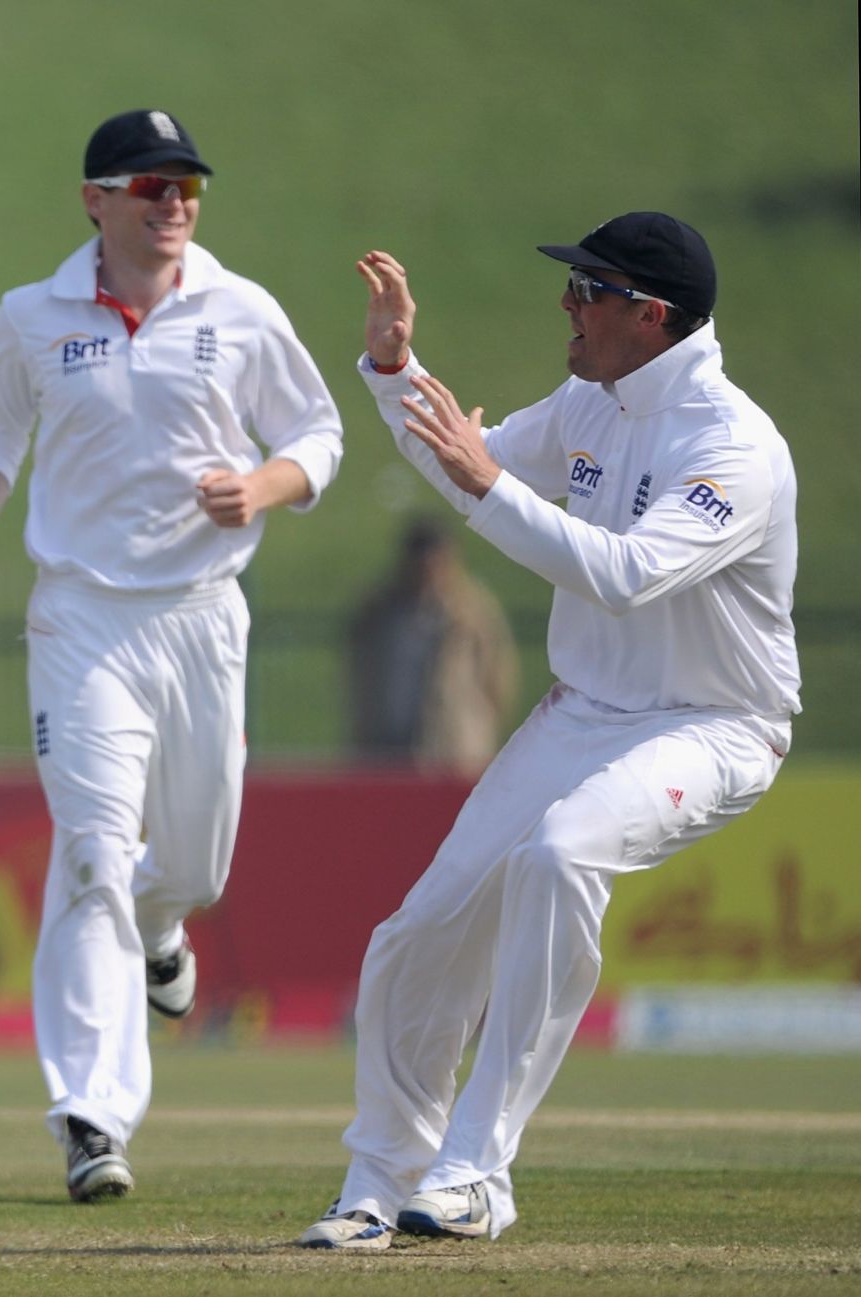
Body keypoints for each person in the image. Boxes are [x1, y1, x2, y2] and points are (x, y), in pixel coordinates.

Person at [299, 213, 798, 1250]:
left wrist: (485, 483)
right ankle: (379, 1183)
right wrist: (395, 368)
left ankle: (478, 1171)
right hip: (584, 712)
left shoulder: (734, 446)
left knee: (563, 855)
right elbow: (463, 466)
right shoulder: (591, 399)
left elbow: (619, 575)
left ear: (647, 315)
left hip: (713, 722)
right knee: (418, 935)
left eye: (587, 290)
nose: (566, 306)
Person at [0, 109, 343, 1202]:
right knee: (88, 849)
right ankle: (91, 1115)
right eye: (151, 186)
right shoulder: (33, 316)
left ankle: (164, 933)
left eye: (187, 188)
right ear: (96, 200)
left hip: (204, 614)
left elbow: (319, 435)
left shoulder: (241, 308)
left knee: (194, 868)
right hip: (82, 617)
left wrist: (261, 487)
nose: (173, 205)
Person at [347, 516, 518, 776]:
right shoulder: (380, 608)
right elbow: (358, 669)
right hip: (387, 748)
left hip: (456, 751)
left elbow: (499, 679)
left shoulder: (473, 612)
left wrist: (480, 726)